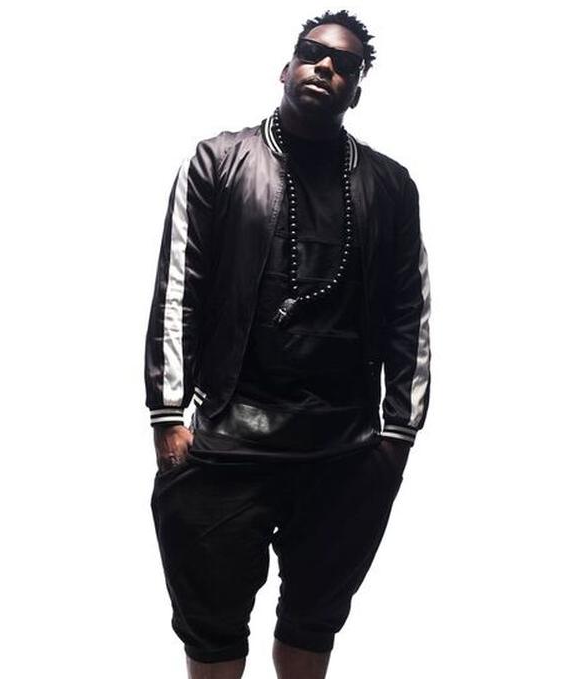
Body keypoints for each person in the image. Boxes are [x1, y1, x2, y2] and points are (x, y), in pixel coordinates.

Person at [145, 10, 431, 678]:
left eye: (345, 64)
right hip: (225, 442)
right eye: (313, 52)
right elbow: (178, 288)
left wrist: (397, 436)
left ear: (356, 89)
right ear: (286, 67)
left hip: (345, 450)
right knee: (212, 632)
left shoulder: (390, 186)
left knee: (313, 623)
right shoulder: (218, 161)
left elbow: (409, 313)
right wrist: (167, 417)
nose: (326, 66)